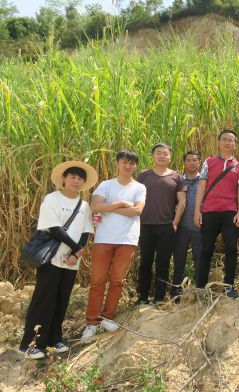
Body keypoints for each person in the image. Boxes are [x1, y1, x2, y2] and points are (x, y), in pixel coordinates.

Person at [19, 161, 97, 359]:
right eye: (72, 177)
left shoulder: (84, 205)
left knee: (62, 299)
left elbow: (86, 231)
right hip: (51, 257)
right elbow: (55, 229)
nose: (76, 181)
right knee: (44, 299)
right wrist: (77, 249)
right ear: (64, 178)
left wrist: (75, 254)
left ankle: (54, 339)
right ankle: (30, 344)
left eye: (80, 178)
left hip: (71, 261)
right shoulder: (52, 199)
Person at [81, 150, 146, 341]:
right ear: (117, 163)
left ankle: (108, 317)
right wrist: (121, 203)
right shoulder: (106, 185)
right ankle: (91, 322)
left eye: (132, 163)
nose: (128, 166)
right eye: (124, 162)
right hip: (103, 238)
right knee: (97, 281)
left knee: (118, 280)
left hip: (127, 239)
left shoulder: (140, 187)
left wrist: (111, 208)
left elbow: (137, 211)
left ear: (135, 166)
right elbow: (96, 207)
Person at [194, 130, 239, 298]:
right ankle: (201, 287)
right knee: (206, 249)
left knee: (231, 247)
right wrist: (197, 211)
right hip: (209, 210)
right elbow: (201, 187)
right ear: (218, 142)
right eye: (224, 139)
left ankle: (228, 286)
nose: (227, 142)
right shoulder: (208, 162)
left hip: (230, 211)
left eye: (231, 140)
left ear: (235, 145)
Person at [136, 143, 186, 305]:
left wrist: (175, 222)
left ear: (170, 157)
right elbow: (135, 197)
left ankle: (159, 297)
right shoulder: (144, 176)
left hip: (167, 226)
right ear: (153, 156)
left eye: (165, 153)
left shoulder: (176, 177)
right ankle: (143, 297)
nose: (162, 156)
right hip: (145, 225)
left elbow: (182, 201)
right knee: (145, 262)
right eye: (158, 153)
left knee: (163, 262)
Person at [171, 151, 202, 295]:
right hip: (181, 227)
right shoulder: (178, 180)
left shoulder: (204, 180)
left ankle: (201, 289)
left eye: (195, 160)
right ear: (184, 163)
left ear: (199, 163)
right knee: (179, 259)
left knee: (200, 259)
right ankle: (176, 289)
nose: (192, 163)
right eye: (188, 160)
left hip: (199, 227)